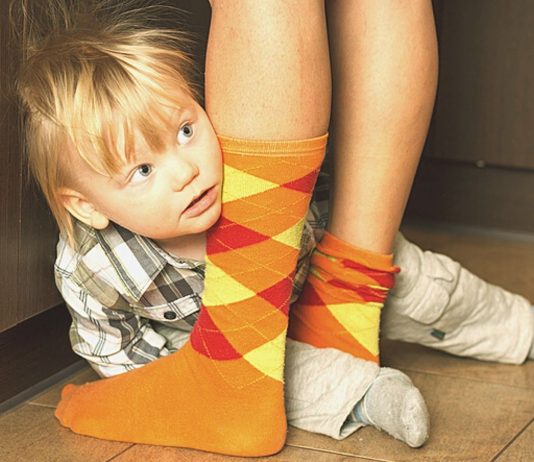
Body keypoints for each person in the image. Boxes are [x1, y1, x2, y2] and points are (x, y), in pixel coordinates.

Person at [13, 0, 533, 457]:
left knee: (431, 290)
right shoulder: (97, 268)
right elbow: (115, 348)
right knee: (278, 370)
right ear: (86, 207)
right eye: (143, 170)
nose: (185, 171)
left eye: (187, 130)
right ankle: (360, 390)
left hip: (329, 262)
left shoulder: (250, 175)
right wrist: (153, 389)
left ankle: (517, 328)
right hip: (244, 340)